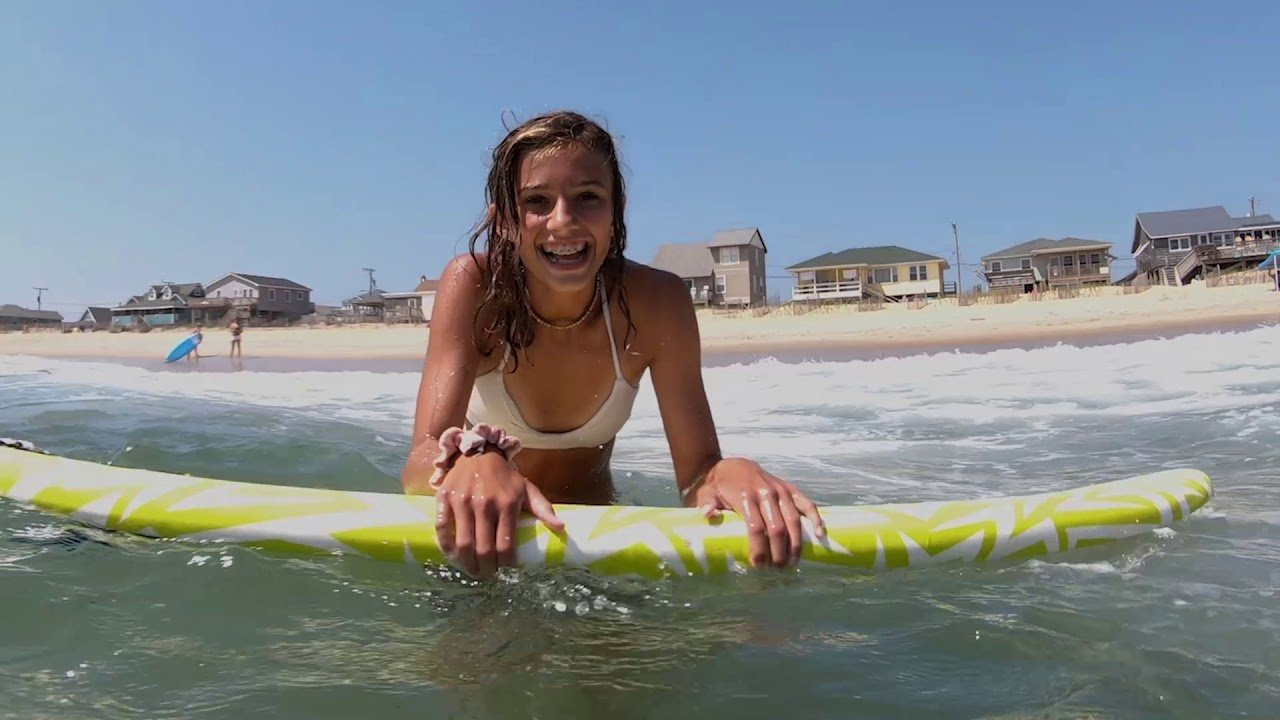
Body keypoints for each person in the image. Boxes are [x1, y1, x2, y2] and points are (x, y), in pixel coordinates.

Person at [400, 111, 825, 578]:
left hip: (594, 550)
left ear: (616, 211)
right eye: (536, 201)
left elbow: (698, 476)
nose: (562, 222)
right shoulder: (474, 287)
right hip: (483, 542)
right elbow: (420, 459)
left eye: (587, 198)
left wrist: (727, 473)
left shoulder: (656, 303)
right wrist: (468, 461)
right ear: (504, 220)